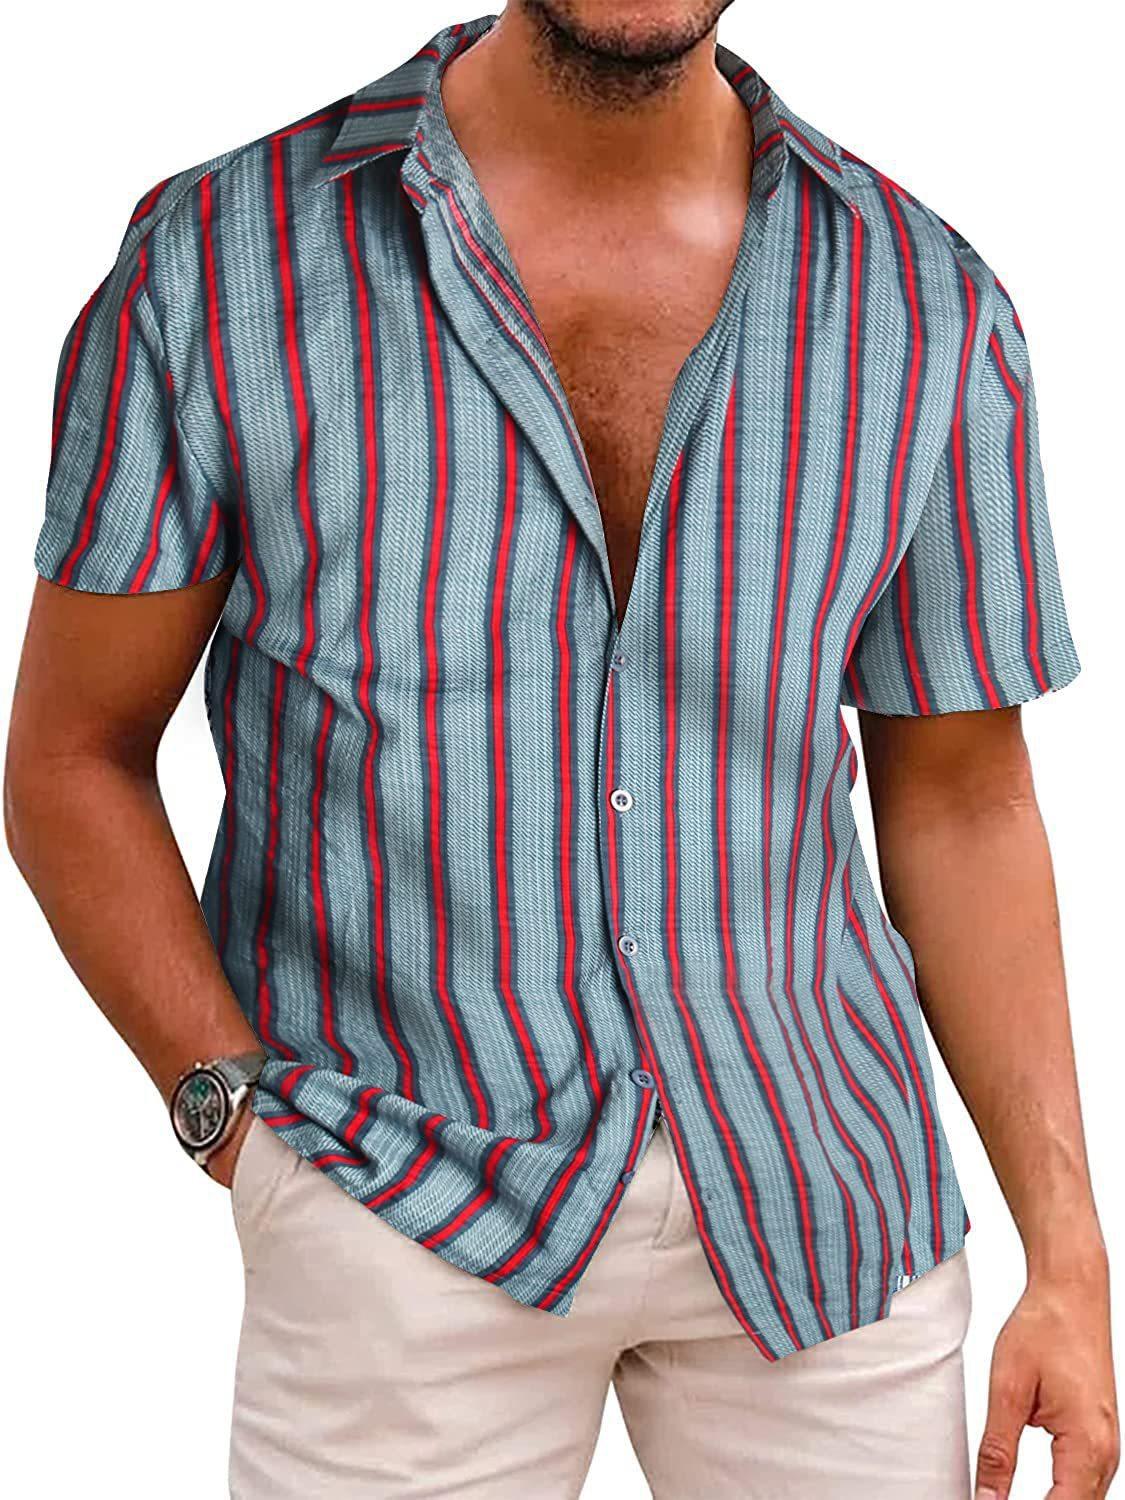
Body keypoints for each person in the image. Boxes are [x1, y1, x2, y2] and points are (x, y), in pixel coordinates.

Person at [6, 5, 1118, 1497]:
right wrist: (238, 1127)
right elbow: (73, 754)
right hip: (402, 1204)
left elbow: (965, 799)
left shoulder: (921, 302)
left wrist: (1067, 1256)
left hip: (822, 1214)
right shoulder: (222, 267)